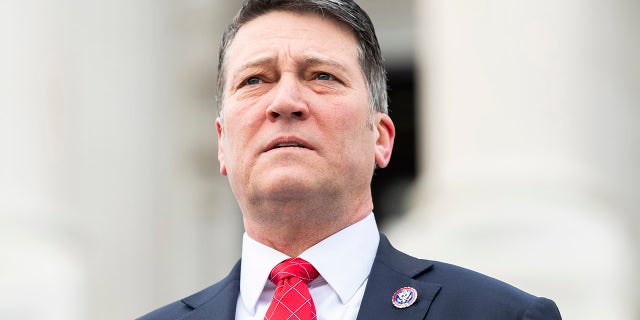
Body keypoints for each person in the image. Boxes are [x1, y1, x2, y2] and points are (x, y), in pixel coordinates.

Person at [138, 0, 562, 319]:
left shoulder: (499, 316)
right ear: (221, 144)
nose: (285, 101)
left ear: (380, 137)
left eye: (321, 75)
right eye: (255, 80)